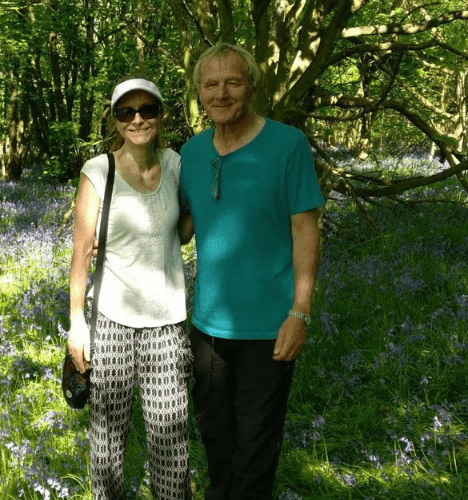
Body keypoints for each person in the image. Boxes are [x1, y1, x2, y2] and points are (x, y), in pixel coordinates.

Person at [178, 44, 324, 499]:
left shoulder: (287, 145)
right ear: (199, 93)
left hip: (269, 329)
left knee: (255, 448)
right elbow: (178, 227)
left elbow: (306, 229)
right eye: (211, 84)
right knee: (217, 439)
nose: (221, 93)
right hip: (207, 327)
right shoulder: (191, 153)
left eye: (233, 82)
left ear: (252, 88)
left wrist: (299, 313)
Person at [67, 77, 193, 500]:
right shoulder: (98, 170)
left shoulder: (176, 164)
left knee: (170, 441)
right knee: (107, 440)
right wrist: (77, 325)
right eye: (126, 112)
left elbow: (185, 230)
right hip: (112, 320)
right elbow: (81, 252)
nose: (137, 120)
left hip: (167, 321)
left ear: (160, 115)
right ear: (115, 119)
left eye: (147, 110)